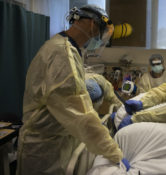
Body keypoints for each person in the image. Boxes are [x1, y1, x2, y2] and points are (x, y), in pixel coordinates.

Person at [17, 5, 129, 175]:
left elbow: (81, 79)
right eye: (101, 32)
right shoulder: (61, 52)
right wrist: (114, 152)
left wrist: (114, 100)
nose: (99, 38)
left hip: (58, 140)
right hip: (44, 148)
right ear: (92, 24)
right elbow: (80, 113)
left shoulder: (66, 46)